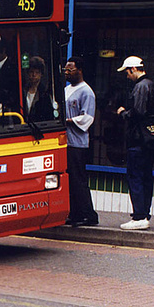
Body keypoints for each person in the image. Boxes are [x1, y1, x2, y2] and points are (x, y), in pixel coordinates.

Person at [116, 56, 154, 230]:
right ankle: (144, 214)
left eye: (127, 72)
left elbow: (137, 113)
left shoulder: (141, 87)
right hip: (150, 139)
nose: (127, 76)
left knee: (135, 176)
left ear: (133, 69)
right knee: (145, 177)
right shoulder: (152, 85)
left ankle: (139, 216)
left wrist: (122, 112)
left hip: (138, 139)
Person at [64, 56, 99, 226]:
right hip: (66, 142)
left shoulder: (87, 92)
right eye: (65, 70)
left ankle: (88, 214)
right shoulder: (66, 89)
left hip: (77, 143)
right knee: (70, 179)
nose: (67, 73)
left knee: (79, 179)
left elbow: (88, 117)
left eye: (70, 70)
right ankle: (75, 213)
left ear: (80, 70)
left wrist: (69, 121)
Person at [24, 56, 54, 122]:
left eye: (37, 72)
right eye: (31, 72)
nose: (34, 75)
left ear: (41, 74)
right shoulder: (23, 91)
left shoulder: (45, 93)